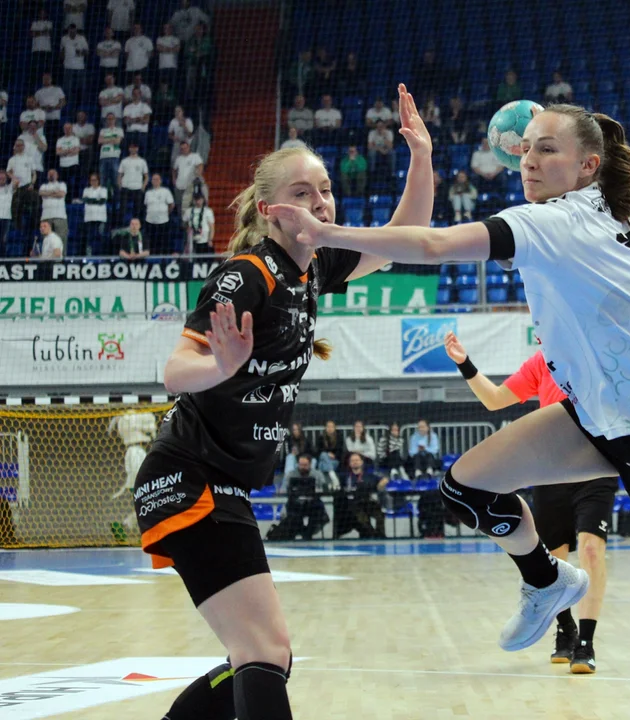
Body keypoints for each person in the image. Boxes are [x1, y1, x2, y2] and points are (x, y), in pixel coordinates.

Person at [269, 102, 630, 717]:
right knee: (466, 487)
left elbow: (433, 243)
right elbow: (566, 148)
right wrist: (539, 135)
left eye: (546, 150)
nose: (529, 161)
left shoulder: (557, 222)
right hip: (598, 419)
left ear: (588, 166)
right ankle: (546, 580)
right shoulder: (592, 200)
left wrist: (327, 234)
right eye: (525, 149)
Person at [130, 83, 432, 720]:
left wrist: (422, 157)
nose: (320, 201)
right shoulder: (248, 274)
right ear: (269, 210)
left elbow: (405, 237)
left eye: (325, 190)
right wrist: (221, 364)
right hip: (188, 479)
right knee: (265, 649)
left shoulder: (312, 268)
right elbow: (175, 371)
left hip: (221, 485)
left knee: (265, 655)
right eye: (303, 192)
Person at [444, 332, 617, 674]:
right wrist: (465, 363)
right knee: (554, 557)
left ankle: (586, 641)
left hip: (594, 465)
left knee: (591, 549)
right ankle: (564, 630)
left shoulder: (596, 352)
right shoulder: (540, 363)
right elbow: (494, 399)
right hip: (552, 470)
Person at [107, 410, 158, 540]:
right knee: (150, 506)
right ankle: (128, 526)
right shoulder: (136, 451)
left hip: (138, 483)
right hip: (139, 484)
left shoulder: (134, 451)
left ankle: (125, 525)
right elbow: (138, 471)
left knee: (149, 507)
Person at [277, 453, 334, 540]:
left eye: (305, 465)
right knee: (292, 513)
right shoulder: (291, 474)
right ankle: (299, 532)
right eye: (301, 465)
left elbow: (324, 488)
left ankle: (308, 534)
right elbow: (283, 489)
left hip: (312, 503)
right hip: (295, 503)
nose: (302, 467)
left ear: (310, 464)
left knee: (318, 510)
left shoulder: (317, 474)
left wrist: (319, 490)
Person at [81, 172, 109, 255]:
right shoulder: (86, 190)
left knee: (101, 237)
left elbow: (102, 201)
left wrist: (91, 200)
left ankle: (102, 254)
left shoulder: (103, 190)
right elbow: (85, 200)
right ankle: (89, 255)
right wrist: (96, 200)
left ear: (98, 180)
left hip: (100, 219)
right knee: (89, 238)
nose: (93, 182)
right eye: (91, 180)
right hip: (89, 218)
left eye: (95, 180)